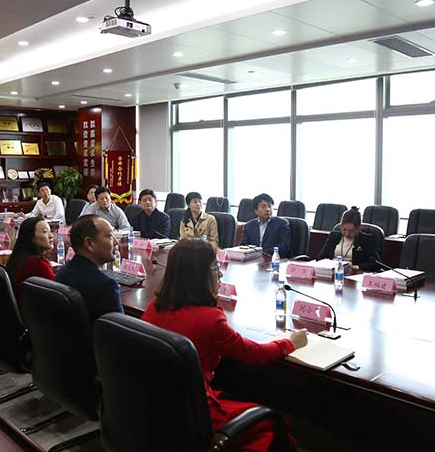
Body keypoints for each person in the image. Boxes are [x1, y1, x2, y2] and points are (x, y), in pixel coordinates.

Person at [141, 239, 307, 452]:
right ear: (200, 275)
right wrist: (290, 342)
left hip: (158, 409)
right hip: (195, 416)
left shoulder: (155, 305)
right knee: (272, 422)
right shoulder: (210, 319)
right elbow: (257, 354)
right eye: (215, 268)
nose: (220, 275)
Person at [54, 215, 124, 324]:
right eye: (110, 236)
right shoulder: (106, 286)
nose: (116, 242)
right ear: (89, 244)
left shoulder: (62, 272)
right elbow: (119, 330)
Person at [316, 206, 380, 272]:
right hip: (332, 271)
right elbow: (320, 258)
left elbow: (375, 264)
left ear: (359, 228)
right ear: (341, 226)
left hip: (354, 272)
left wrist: (357, 267)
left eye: (351, 231)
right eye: (344, 229)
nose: (347, 233)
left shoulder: (366, 240)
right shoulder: (333, 236)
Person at [6, 216, 56, 299]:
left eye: (50, 231)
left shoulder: (19, 258)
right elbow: (58, 293)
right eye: (45, 232)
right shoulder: (39, 264)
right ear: (32, 238)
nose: (51, 236)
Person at [241, 193, 291, 258]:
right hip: (253, 259)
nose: (268, 209)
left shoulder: (282, 223)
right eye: (263, 207)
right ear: (256, 211)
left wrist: (263, 253)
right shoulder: (249, 226)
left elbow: (284, 246)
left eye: (270, 206)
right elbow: (244, 245)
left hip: (273, 259)